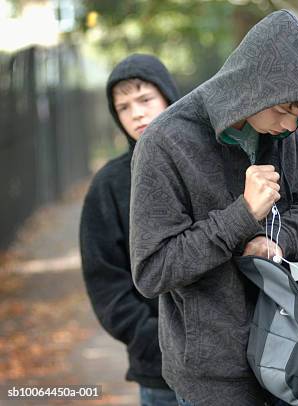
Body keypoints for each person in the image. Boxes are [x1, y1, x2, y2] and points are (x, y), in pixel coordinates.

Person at [129, 10, 298, 406]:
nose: (292, 127)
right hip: (214, 380)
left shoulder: (280, 131)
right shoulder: (163, 144)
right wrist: (241, 217)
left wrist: (275, 242)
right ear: (253, 89)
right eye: (283, 111)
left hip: (288, 353)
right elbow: (152, 269)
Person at [79, 54, 180, 406]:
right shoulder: (108, 186)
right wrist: (152, 339)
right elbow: (104, 280)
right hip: (159, 372)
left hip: (230, 365)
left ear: (168, 96)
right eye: (123, 106)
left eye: (145, 99)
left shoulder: (207, 161)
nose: (136, 113)